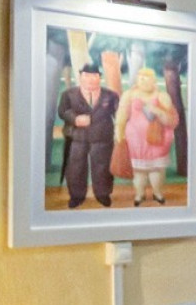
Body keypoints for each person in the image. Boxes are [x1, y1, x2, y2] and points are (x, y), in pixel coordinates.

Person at [57, 64, 119, 208]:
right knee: (75, 167)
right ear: (80, 77)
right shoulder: (68, 94)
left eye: (94, 76)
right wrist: (75, 119)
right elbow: (63, 111)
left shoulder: (110, 95)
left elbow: (119, 113)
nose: (91, 79)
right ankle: (76, 196)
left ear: (100, 78)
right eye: (86, 76)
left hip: (102, 137)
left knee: (103, 167)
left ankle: (103, 194)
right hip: (76, 138)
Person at [119, 66, 176, 205]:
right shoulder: (129, 95)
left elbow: (171, 120)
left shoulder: (162, 96)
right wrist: (119, 133)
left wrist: (157, 111)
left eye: (147, 78)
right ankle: (139, 194)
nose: (143, 81)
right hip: (136, 141)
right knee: (139, 171)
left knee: (157, 169)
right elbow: (121, 116)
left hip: (157, 139)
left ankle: (157, 193)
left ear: (154, 81)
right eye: (141, 78)